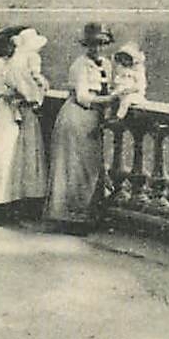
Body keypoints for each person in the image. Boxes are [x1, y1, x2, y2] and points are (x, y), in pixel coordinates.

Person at [45, 22, 117, 230]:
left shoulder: (107, 64)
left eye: (103, 44)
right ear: (86, 45)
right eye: (93, 44)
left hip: (94, 120)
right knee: (75, 168)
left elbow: (111, 86)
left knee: (92, 170)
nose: (98, 48)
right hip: (77, 117)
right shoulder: (79, 66)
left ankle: (87, 215)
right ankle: (69, 218)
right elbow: (83, 96)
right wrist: (111, 99)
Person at [0, 25, 50, 222]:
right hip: (6, 111)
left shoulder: (21, 62)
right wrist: (19, 95)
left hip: (22, 110)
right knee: (2, 156)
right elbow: (1, 90)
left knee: (21, 159)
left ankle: (18, 204)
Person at [107, 42, 147, 120]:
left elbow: (140, 86)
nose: (124, 61)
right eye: (122, 59)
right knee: (112, 98)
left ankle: (119, 117)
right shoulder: (122, 70)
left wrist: (129, 90)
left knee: (126, 100)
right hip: (122, 92)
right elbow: (117, 81)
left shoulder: (137, 72)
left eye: (127, 59)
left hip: (134, 94)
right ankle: (108, 115)